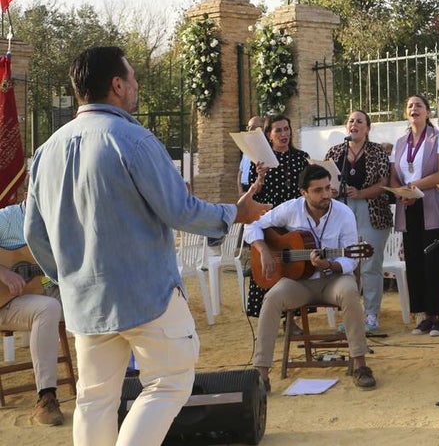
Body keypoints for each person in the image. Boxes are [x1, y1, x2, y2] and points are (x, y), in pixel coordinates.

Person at [24, 45, 269, 446]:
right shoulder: (133, 140)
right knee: (170, 381)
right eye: (133, 77)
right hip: (147, 296)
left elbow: (34, 231)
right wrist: (233, 214)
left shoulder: (45, 152)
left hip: (85, 301)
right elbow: (181, 210)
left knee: (93, 399)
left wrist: (68, 277)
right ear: (117, 85)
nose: (137, 85)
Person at [246, 164, 376, 391]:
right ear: (303, 192)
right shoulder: (290, 209)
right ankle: (261, 372)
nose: (326, 194)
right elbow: (253, 224)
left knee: (350, 292)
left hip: (333, 279)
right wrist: (264, 251)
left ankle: (359, 364)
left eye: (328, 188)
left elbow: (352, 259)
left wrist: (329, 264)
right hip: (299, 282)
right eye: (318, 190)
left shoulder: (343, 214)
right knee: (272, 299)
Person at [389, 94, 439, 336]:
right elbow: (393, 174)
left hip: (433, 207)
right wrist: (399, 191)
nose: (414, 108)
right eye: (410, 106)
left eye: (419, 105)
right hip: (408, 207)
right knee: (414, 261)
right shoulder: (400, 142)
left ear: (427, 111)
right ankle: (425, 316)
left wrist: (414, 187)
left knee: (435, 262)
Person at [0, 186, 65, 426]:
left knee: (89, 298)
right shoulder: (7, 219)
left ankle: (108, 385)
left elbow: (46, 277)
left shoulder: (59, 228)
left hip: (33, 295)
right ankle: (46, 397)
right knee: (47, 308)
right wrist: (4, 274)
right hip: (4, 304)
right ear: (29, 196)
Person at [324, 110, 392, 333]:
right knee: (347, 265)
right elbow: (325, 180)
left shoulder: (377, 152)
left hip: (371, 211)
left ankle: (371, 315)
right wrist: (332, 190)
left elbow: (383, 182)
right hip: (341, 211)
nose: (354, 124)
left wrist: (361, 193)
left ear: (367, 128)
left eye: (359, 121)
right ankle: (351, 315)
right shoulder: (335, 151)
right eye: (351, 121)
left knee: (370, 265)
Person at [245, 114, 311, 317]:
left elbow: (309, 188)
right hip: (269, 223)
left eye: (286, 129)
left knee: (295, 269)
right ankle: (269, 317)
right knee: (271, 267)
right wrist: (260, 177)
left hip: (294, 222)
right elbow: (252, 194)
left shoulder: (301, 158)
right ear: (269, 135)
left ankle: (292, 320)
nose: (284, 134)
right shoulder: (259, 162)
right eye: (278, 130)